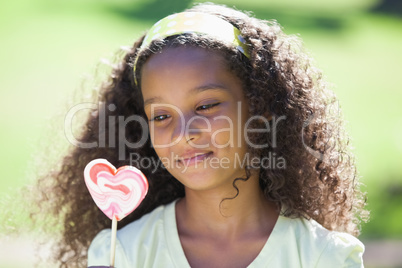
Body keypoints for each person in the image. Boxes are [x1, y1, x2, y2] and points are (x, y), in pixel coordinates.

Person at [35, 3, 369, 267]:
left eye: (207, 105)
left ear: (262, 111)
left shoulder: (322, 257)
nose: (183, 134)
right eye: (162, 115)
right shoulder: (122, 252)